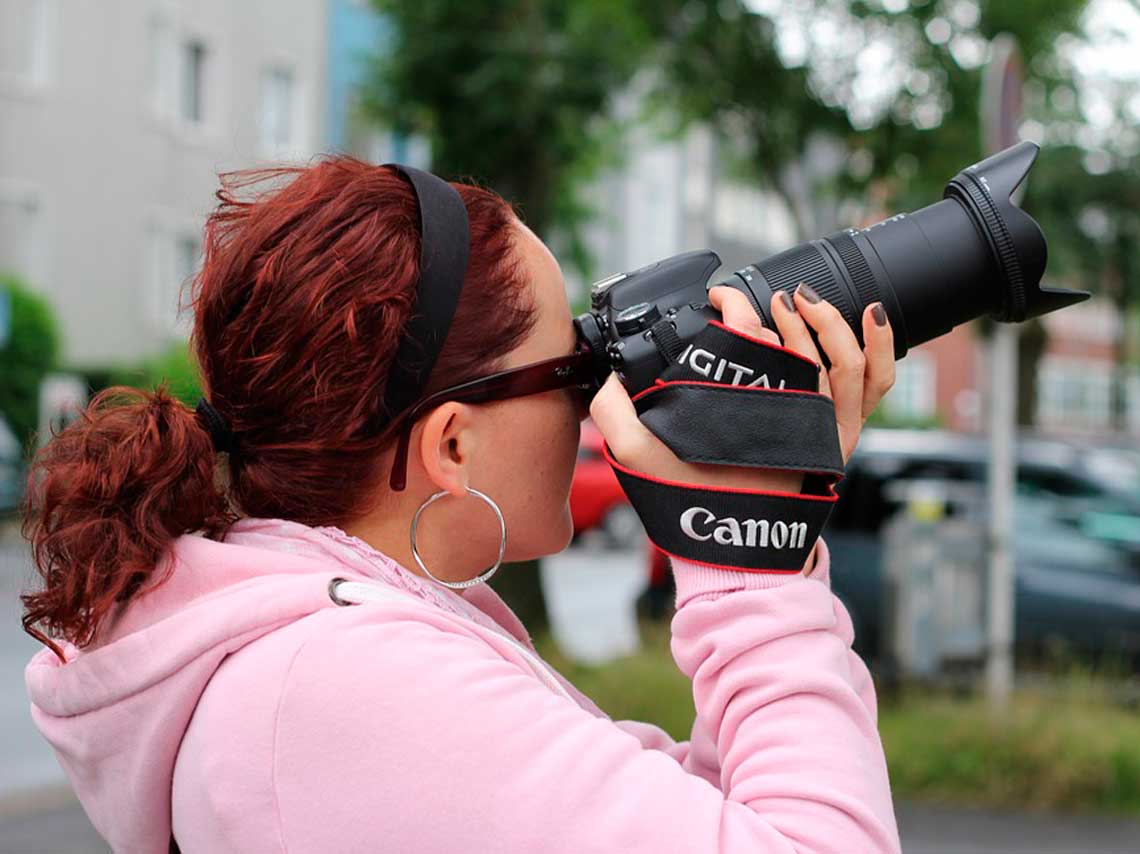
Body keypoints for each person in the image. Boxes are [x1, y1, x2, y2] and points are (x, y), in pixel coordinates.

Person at [21, 158, 900, 853]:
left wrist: (767, 511)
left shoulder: (337, 650)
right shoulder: (338, 685)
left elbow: (704, 816)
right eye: (575, 370)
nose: (601, 400)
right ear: (451, 445)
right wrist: (753, 569)